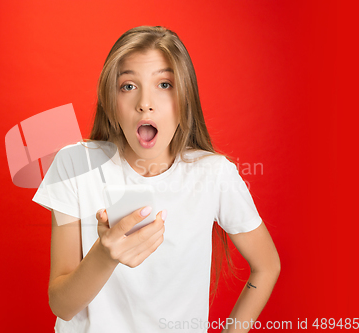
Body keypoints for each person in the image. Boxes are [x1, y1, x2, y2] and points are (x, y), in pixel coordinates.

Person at [32, 26, 280, 333]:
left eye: (164, 84)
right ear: (111, 100)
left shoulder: (214, 174)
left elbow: (267, 266)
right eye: (128, 86)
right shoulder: (74, 164)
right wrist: (104, 256)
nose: (145, 103)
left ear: (185, 98)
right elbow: (62, 306)